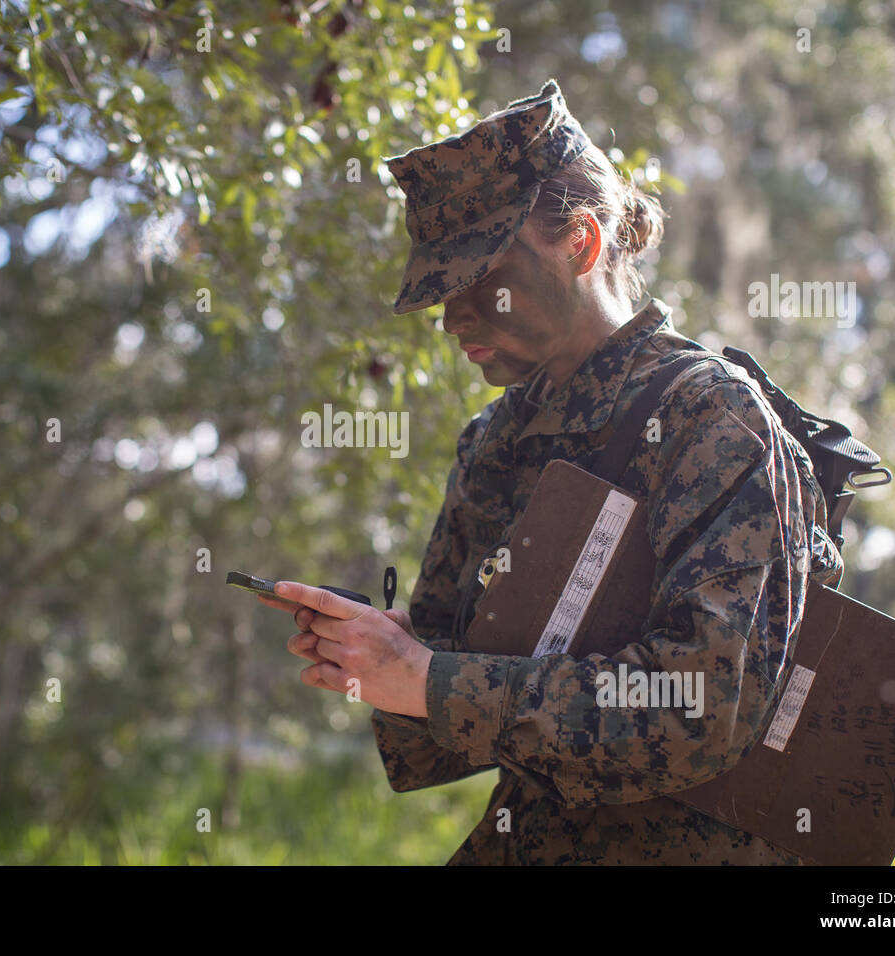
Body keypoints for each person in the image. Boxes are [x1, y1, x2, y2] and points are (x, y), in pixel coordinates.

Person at [259, 79, 844, 864]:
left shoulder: (713, 416)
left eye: (478, 278)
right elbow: (436, 738)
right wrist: (379, 659)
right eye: (440, 291)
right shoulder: (493, 442)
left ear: (581, 244)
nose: (453, 316)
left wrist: (431, 680)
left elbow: (705, 705)